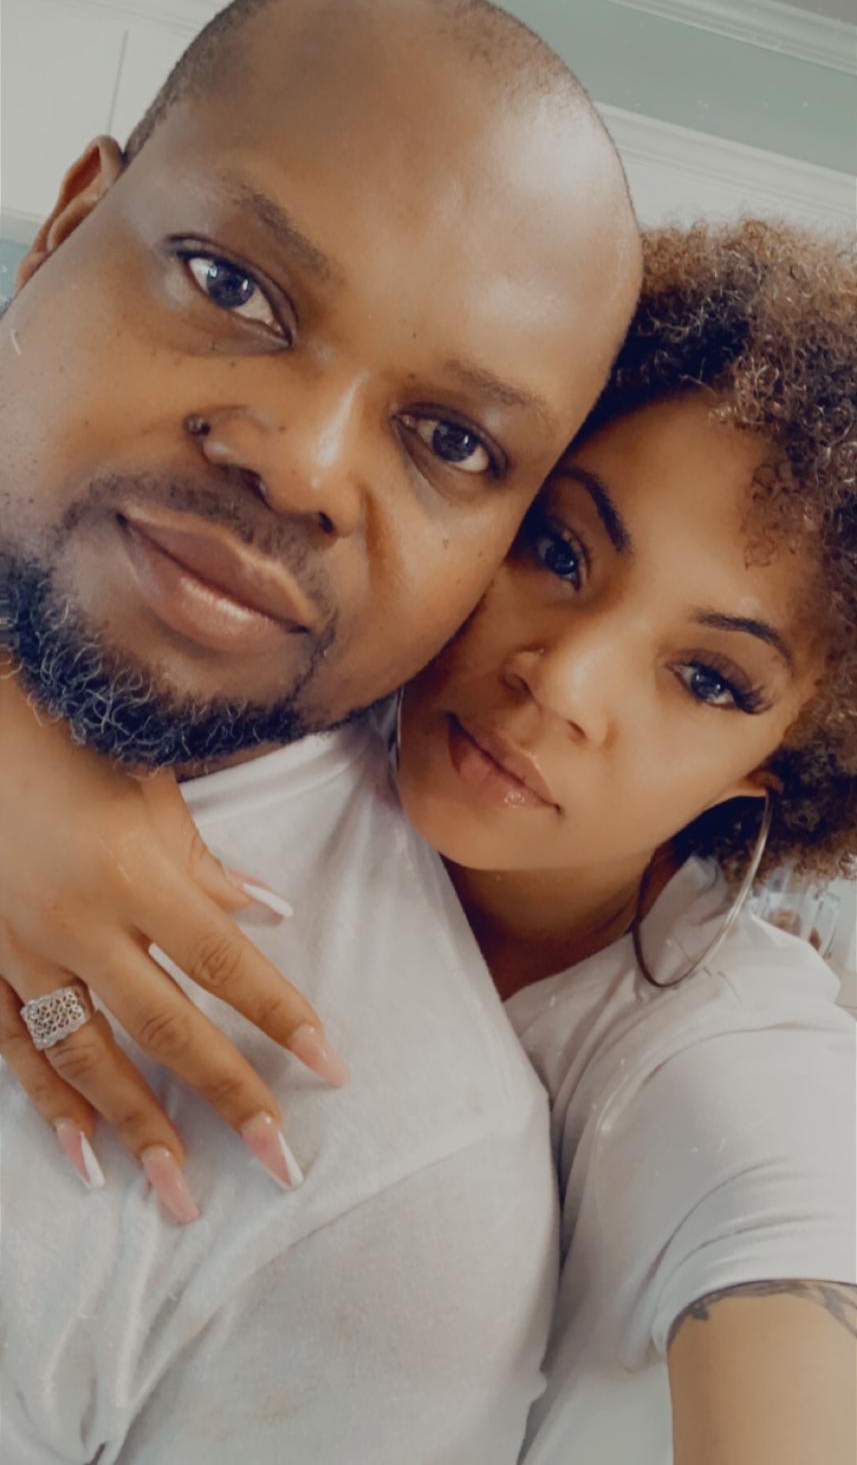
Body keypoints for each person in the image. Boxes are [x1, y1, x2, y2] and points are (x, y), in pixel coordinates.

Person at [3, 220, 856, 1465]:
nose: (561, 678)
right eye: (556, 551)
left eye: (707, 679)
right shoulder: (300, 687)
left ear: (771, 771)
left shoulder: (727, 1055)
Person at [0, 0, 642, 1463]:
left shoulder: (396, 1190)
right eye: (232, 286)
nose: (298, 463)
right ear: (67, 225)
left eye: (450, 439)